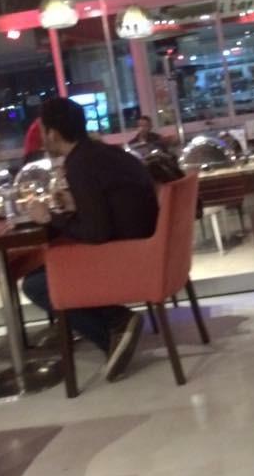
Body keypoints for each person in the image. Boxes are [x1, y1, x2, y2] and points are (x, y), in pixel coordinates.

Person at [23, 98, 159, 382]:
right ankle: (116, 323)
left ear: (53, 134)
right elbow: (109, 208)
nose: (42, 138)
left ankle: (115, 325)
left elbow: (97, 233)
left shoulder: (80, 164)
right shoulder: (103, 153)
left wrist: (49, 217)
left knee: (36, 283)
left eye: (43, 131)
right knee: (41, 275)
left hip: (125, 257)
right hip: (146, 247)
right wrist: (76, 205)